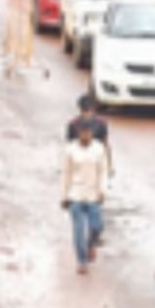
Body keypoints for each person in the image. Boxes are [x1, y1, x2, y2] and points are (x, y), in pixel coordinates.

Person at [61, 122, 109, 275]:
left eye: (88, 132)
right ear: (78, 133)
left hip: (93, 195)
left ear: (92, 133)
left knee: (97, 226)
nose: (85, 136)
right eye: (82, 132)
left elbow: (103, 172)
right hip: (76, 195)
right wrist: (64, 195)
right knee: (78, 230)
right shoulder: (70, 150)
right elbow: (66, 174)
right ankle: (82, 261)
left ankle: (91, 244)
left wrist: (103, 190)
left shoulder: (99, 150)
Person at [67, 94, 113, 177]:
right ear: (93, 108)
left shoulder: (73, 124)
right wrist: (109, 166)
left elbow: (70, 148)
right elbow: (106, 145)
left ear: (79, 108)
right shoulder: (102, 123)